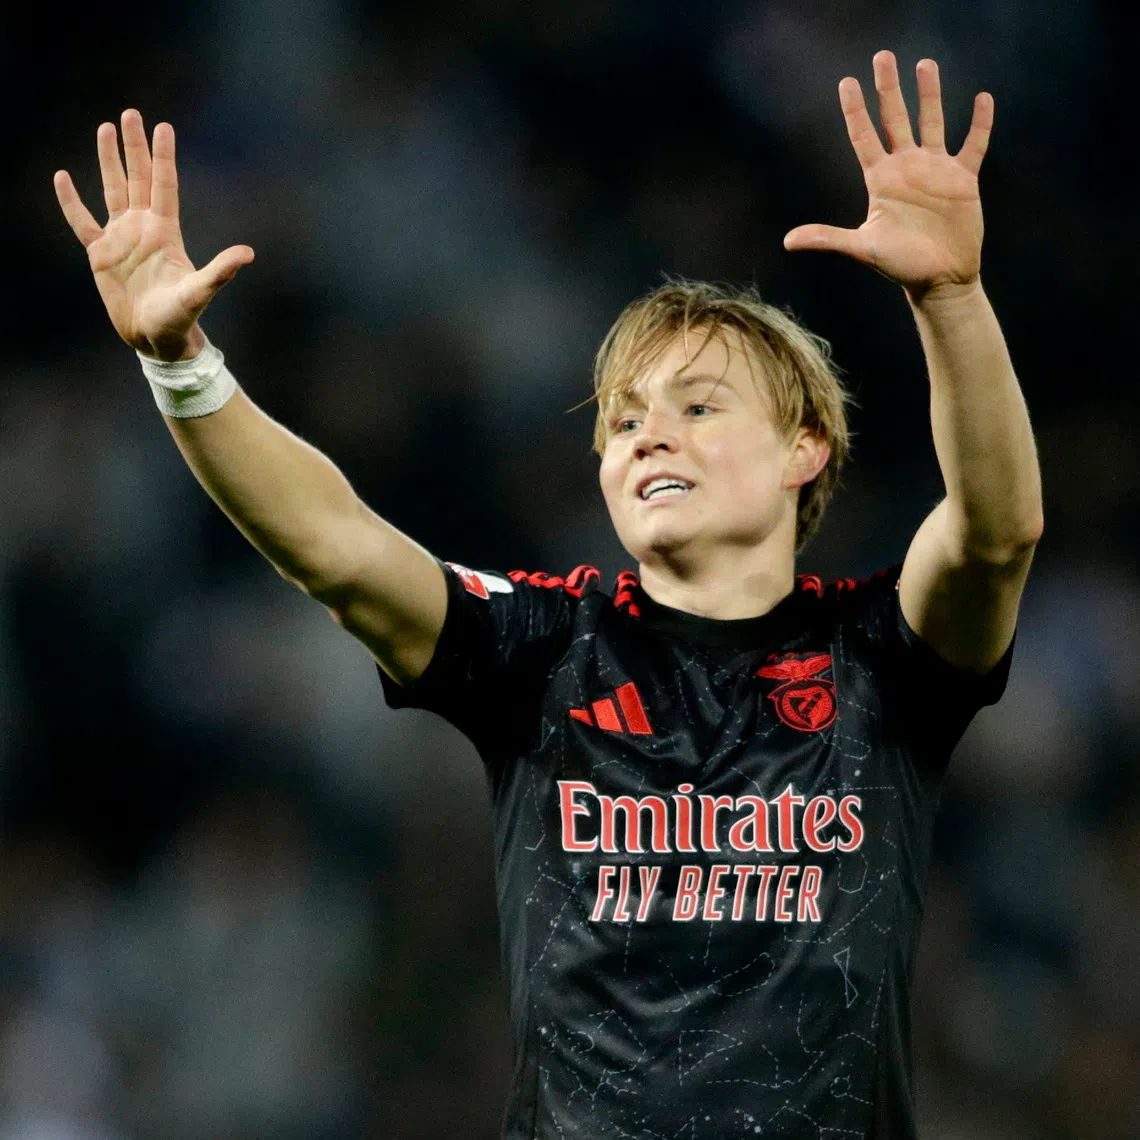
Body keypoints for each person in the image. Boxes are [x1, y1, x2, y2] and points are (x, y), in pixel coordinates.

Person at [54, 49, 1041, 1140]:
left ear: (805, 449)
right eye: (624, 420)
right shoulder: (543, 643)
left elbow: (996, 534)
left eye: (701, 406)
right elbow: (334, 545)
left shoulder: (878, 654)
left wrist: (951, 300)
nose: (648, 434)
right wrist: (182, 366)